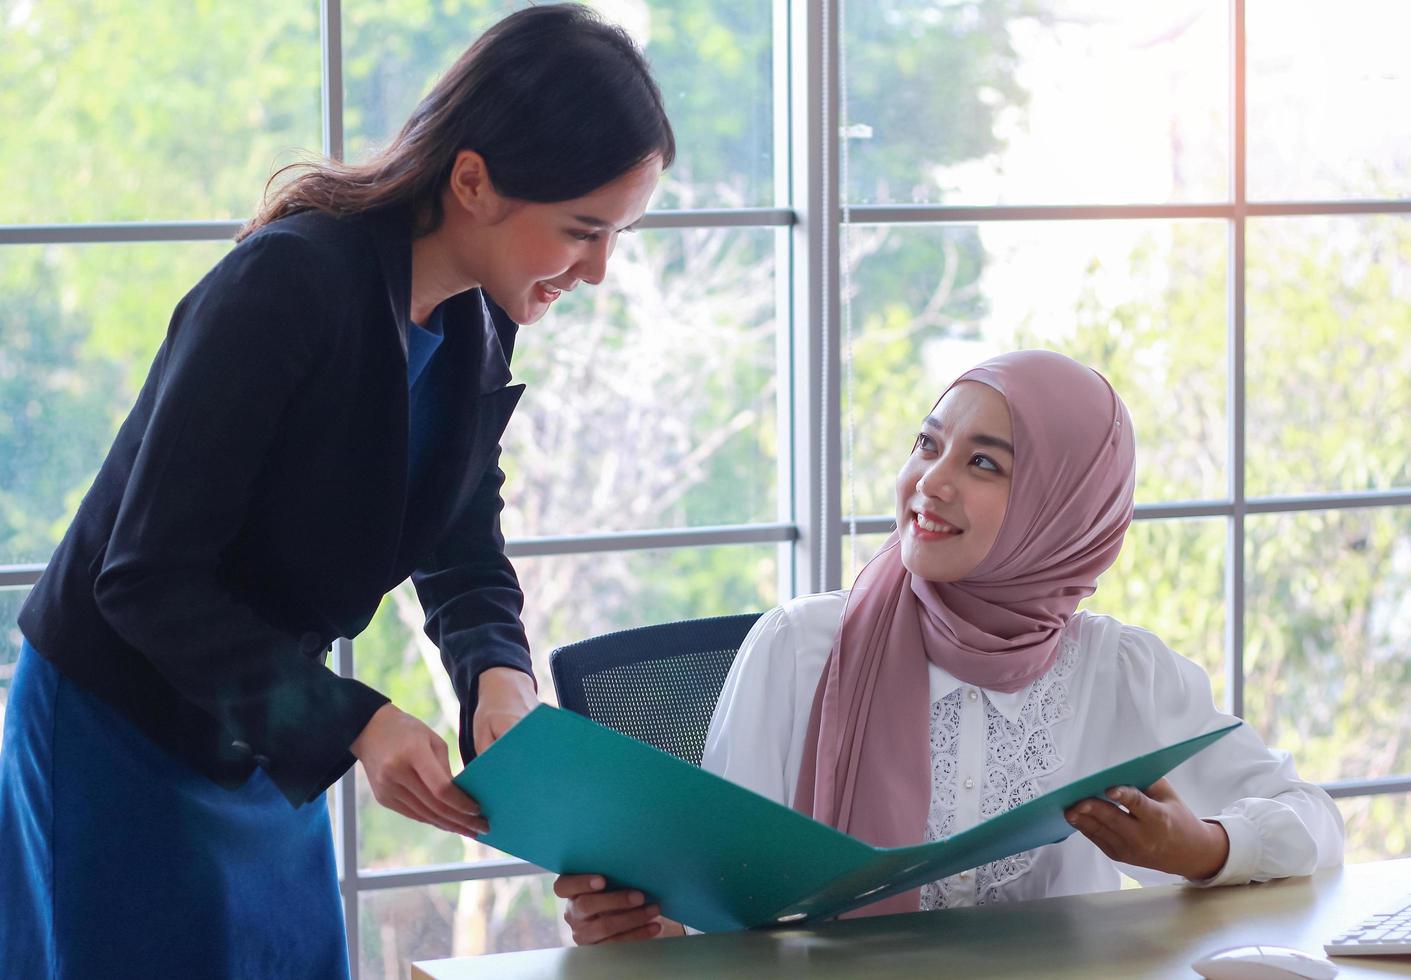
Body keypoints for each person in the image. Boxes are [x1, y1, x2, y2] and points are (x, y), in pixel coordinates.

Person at [0, 5, 674, 977]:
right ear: (475, 181)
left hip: (259, 731)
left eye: (615, 235)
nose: (600, 271)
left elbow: (462, 538)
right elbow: (142, 578)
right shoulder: (284, 284)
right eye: (581, 231)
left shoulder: (478, 320)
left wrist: (498, 675)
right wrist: (355, 718)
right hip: (120, 731)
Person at [556, 349, 1344, 944]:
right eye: (926, 445)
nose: (929, 483)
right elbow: (722, 902)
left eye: (982, 464)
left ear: (1063, 509)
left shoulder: (1117, 671)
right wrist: (650, 933)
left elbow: (1311, 822)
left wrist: (1198, 848)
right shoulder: (799, 648)